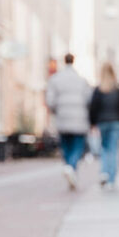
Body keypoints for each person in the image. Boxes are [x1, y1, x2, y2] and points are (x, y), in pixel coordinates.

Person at [45, 53, 92, 189]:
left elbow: (50, 101)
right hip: (79, 120)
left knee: (66, 147)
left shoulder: (55, 79)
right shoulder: (82, 80)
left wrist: (57, 111)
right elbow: (89, 100)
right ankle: (71, 167)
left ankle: (69, 168)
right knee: (77, 147)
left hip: (62, 119)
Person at [89, 63, 119, 190]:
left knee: (104, 148)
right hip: (116, 122)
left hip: (102, 122)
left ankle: (104, 172)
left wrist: (92, 122)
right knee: (113, 149)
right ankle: (111, 178)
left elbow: (93, 107)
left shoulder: (99, 89)